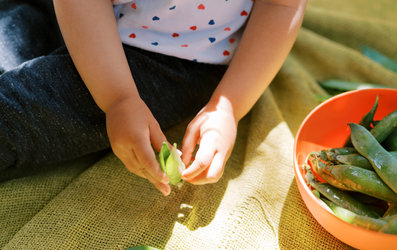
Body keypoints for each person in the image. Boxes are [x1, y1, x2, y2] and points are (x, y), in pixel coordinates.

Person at [0, 0, 307, 195]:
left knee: (16, 119)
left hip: (180, 57)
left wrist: (227, 105)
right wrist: (117, 97)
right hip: (74, 10)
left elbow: (280, 5)